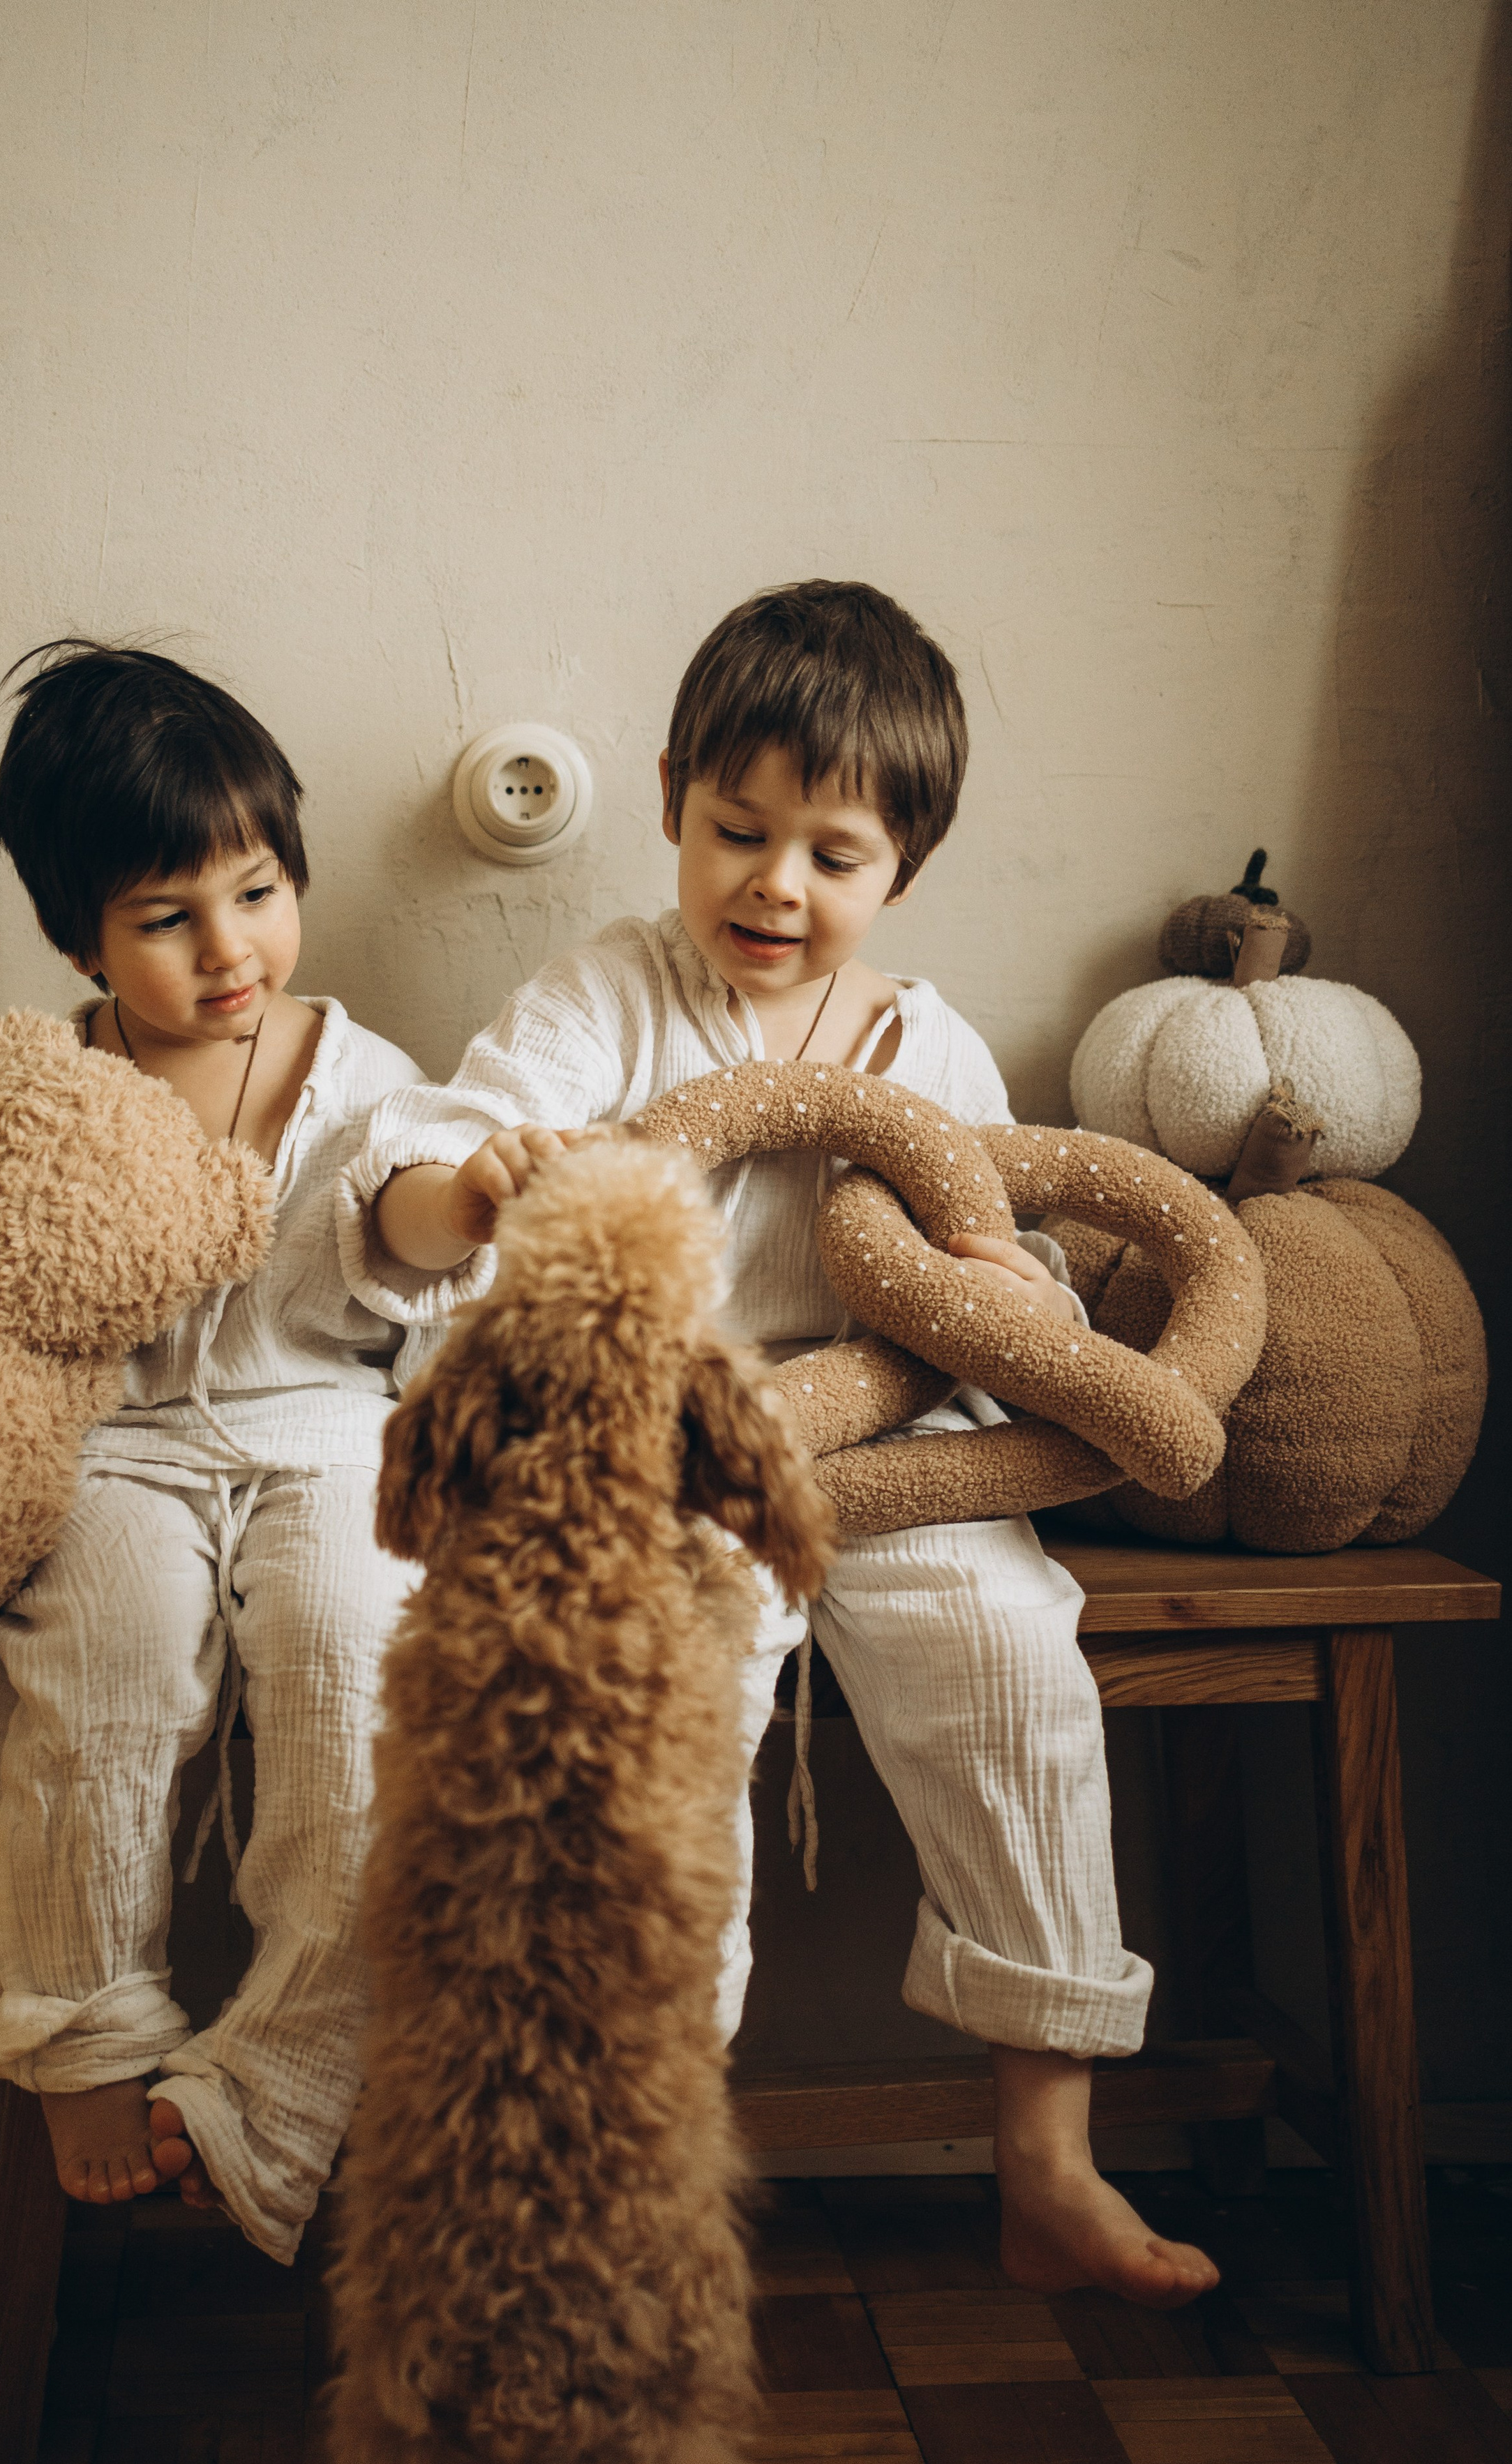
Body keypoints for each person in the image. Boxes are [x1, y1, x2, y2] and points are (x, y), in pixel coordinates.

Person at [338, 582, 1218, 2304]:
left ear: (905, 867)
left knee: (1011, 1658)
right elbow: (432, 1182)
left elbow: (1003, 1254)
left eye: (832, 855)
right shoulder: (606, 1000)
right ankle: (646, 2162)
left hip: (893, 1460)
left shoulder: (929, 1047)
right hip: (679, 1464)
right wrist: (480, 1185)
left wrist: (1001, 1288)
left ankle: (1045, 2156)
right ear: (670, 796)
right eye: (737, 832)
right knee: (670, 1704)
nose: (773, 885)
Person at [0, 641, 420, 2262]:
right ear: (77, 933)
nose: (229, 950)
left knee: (357, 1657)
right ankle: (83, 2030)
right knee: (102, 1667)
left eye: (255, 890)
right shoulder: (46, 1092)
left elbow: (432, 1278)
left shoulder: (372, 1086)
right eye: (166, 919)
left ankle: (287, 2068)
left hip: (325, 1429)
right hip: (114, 1443)